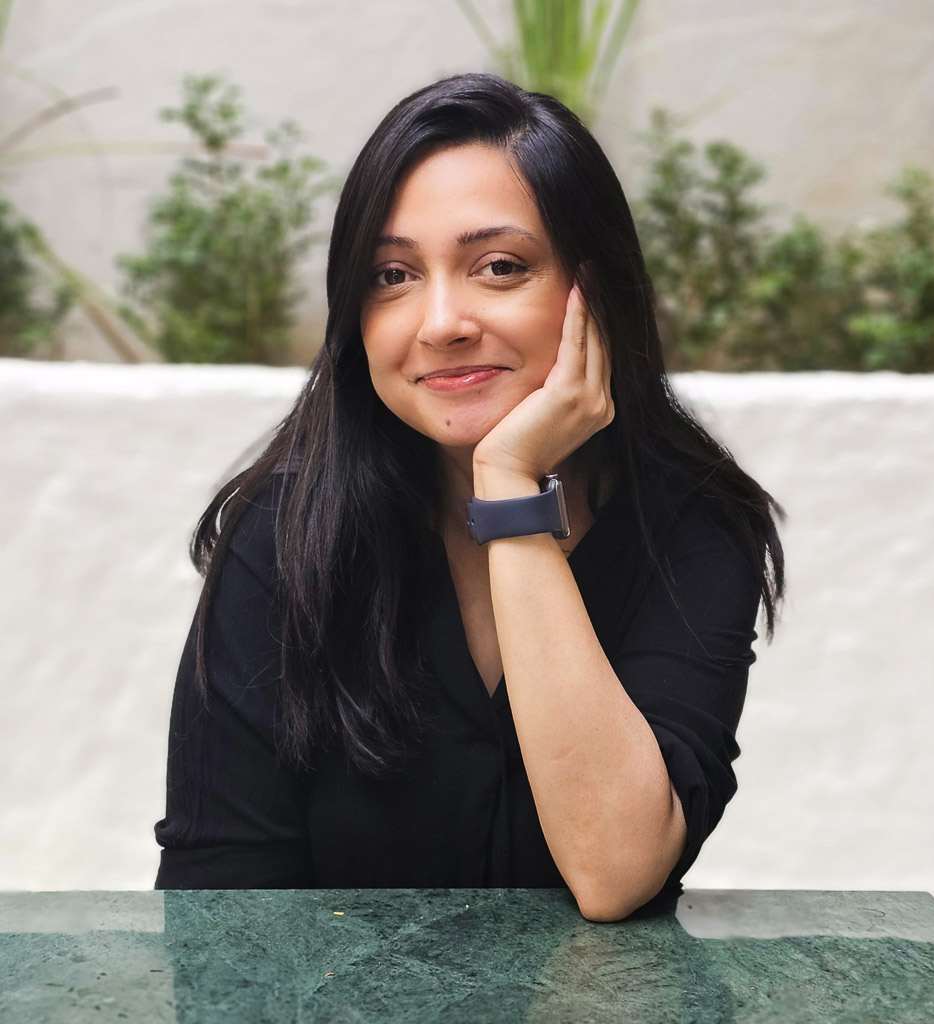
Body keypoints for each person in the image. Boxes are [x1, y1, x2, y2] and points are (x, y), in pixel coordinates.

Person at [154, 73, 784, 921]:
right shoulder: (287, 532)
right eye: (392, 275)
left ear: (596, 292)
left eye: (499, 267)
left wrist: (510, 486)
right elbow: (217, 919)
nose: (441, 322)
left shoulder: (695, 531)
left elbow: (617, 870)